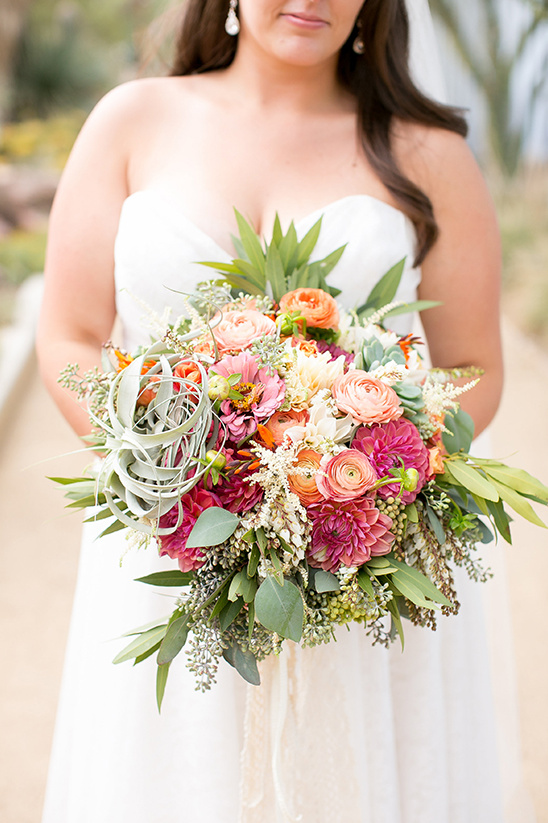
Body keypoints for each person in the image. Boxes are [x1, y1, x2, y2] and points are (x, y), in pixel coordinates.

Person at [36, 1, 527, 821]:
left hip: (356, 570)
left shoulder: (428, 156)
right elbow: (70, 334)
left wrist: (362, 476)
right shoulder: (132, 121)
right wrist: (178, 475)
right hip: (166, 550)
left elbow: (472, 367)